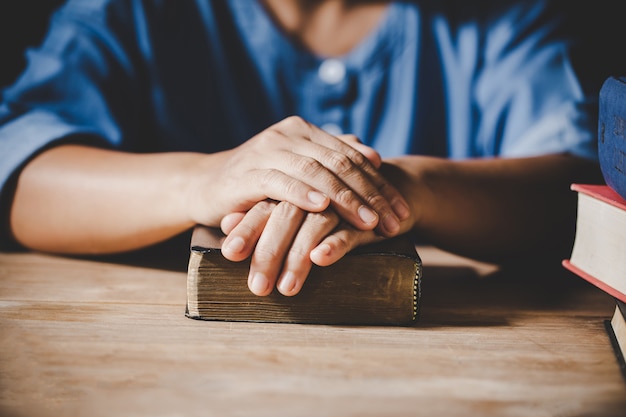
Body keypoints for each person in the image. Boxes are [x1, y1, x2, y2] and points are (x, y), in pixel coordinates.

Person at [0, 0, 603, 297]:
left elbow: (578, 194)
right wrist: (205, 181)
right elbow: (21, 172)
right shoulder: (127, 13)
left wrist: (399, 188)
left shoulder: (506, 19)